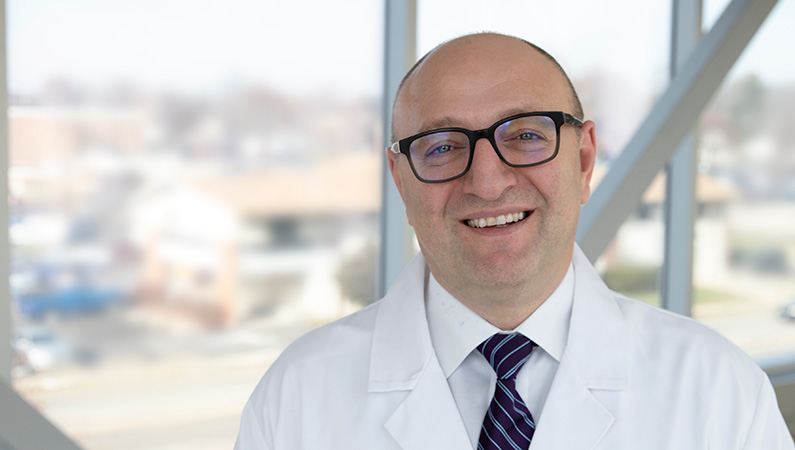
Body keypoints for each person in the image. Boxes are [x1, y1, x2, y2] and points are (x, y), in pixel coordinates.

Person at [235, 32, 794, 450]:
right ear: (401, 181)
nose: (487, 181)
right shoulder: (297, 399)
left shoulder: (720, 392)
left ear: (582, 160)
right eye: (442, 146)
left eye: (525, 135)